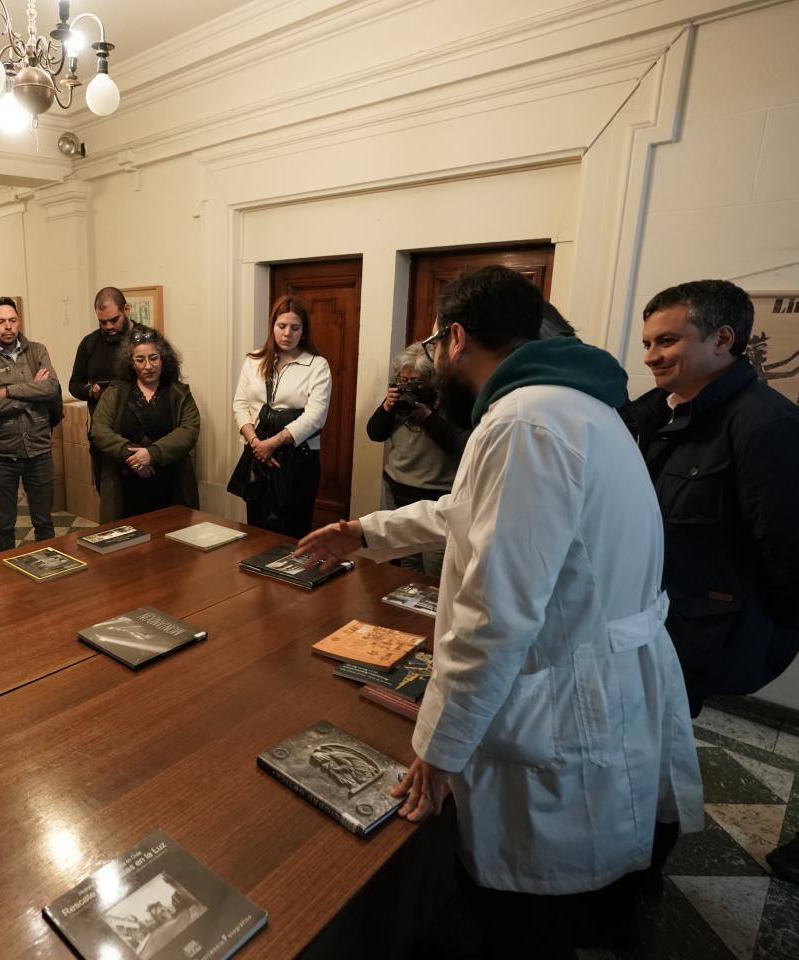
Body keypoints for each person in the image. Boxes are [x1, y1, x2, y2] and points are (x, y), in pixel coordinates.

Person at [298, 266, 702, 957]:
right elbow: (473, 511)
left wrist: (437, 746)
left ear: (455, 339)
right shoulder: (576, 405)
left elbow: (493, 617)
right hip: (602, 672)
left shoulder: (522, 422)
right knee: (575, 890)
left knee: (521, 911)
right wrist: (366, 531)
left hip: (562, 694)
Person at [624, 280, 799, 885]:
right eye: (648, 342)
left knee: (654, 762)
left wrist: (771, 634)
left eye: (668, 340)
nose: (650, 355)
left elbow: (790, 550)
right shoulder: (672, 412)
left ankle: (633, 886)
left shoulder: (765, 425)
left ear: (723, 339)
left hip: (700, 634)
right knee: (640, 752)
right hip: (654, 623)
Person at [231, 295, 332, 538]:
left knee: (294, 531)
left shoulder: (317, 365)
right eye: (281, 326)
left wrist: (273, 444)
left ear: (304, 331)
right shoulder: (254, 360)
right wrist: (257, 444)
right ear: (272, 327)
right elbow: (240, 404)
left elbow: (315, 417)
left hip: (298, 460)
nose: (287, 333)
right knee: (257, 530)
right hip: (257, 457)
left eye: (295, 328)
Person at [0, 296, 61, 552]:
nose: (8, 326)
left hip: (39, 450)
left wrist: (7, 391)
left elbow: (52, 388)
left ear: (18, 321)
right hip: (1, 454)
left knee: (44, 523)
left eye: (12, 320)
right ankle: (8, 583)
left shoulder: (37, 350)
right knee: (5, 526)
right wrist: (33, 392)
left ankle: (51, 570)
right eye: (1, 322)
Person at [366, 342, 466, 574]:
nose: (409, 388)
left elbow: (458, 443)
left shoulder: (453, 405)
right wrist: (387, 407)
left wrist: (428, 417)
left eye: (416, 383)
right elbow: (374, 433)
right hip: (397, 491)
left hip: (437, 497)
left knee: (435, 570)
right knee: (404, 569)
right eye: (404, 381)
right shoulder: (397, 402)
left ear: (433, 382)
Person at [90, 328, 199, 522]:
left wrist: (152, 454)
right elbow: (99, 430)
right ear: (130, 363)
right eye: (140, 360)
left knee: (172, 547)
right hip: (124, 489)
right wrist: (133, 456)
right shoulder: (115, 393)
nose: (148, 366)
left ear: (163, 358)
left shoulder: (178, 393)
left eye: (153, 358)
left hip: (170, 487)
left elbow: (189, 431)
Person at [69, 287, 144, 489]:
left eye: (114, 320)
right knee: (108, 496)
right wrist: (90, 390)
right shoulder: (89, 343)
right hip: (103, 436)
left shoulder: (145, 339)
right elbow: (74, 384)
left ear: (126, 310)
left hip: (140, 436)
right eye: (103, 322)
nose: (109, 326)